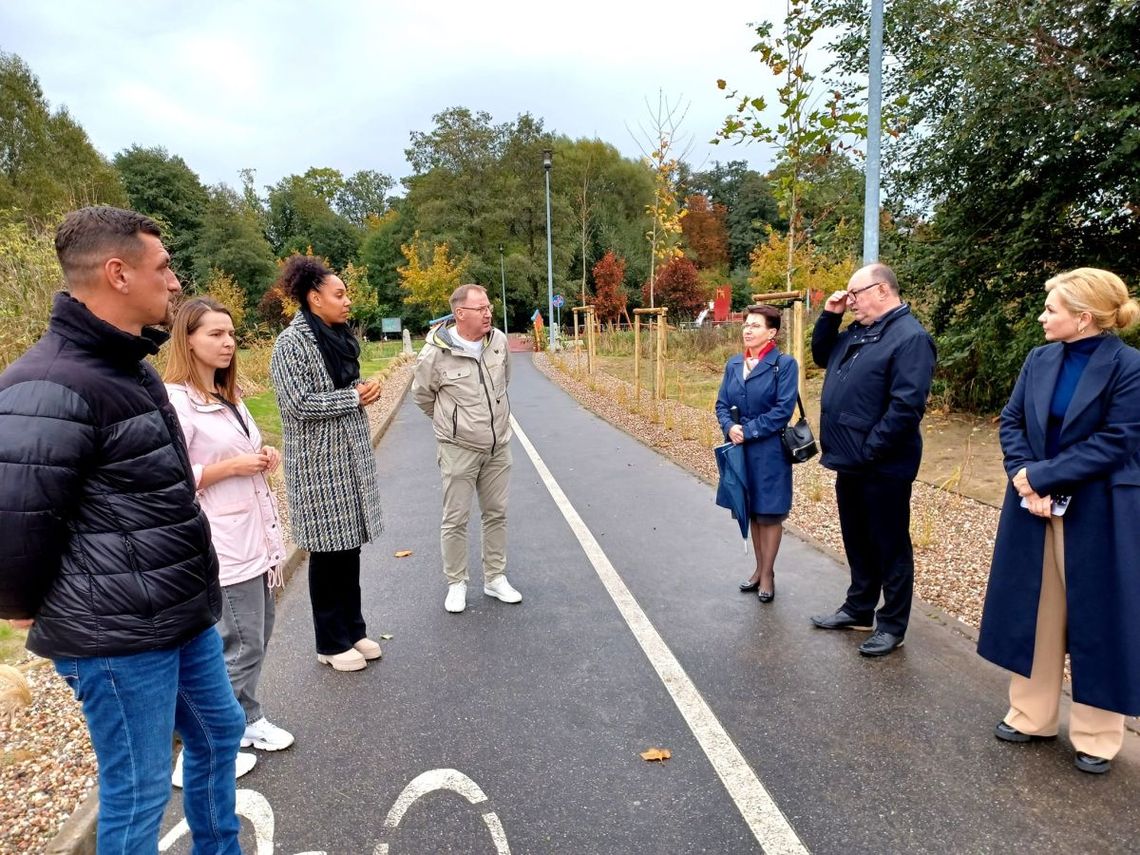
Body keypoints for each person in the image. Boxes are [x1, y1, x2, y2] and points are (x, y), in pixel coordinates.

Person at [0, 207, 244, 852]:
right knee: (137, 790)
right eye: (162, 267)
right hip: (115, 634)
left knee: (219, 731)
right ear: (117, 273)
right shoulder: (48, 383)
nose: (173, 282)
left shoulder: (127, 367)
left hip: (175, 614)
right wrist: (23, 607)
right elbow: (14, 519)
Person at [978, 268, 1140, 775]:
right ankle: (1032, 715)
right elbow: (1011, 420)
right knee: (1037, 606)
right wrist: (1024, 478)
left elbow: (1119, 439)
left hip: (1100, 508)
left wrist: (1044, 477)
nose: (1042, 316)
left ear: (1083, 317)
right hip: (1034, 503)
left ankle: (1097, 734)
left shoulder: (1129, 366)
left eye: (1052, 309)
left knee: (1098, 612)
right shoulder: (1039, 357)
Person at [165, 297, 295, 786]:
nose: (227, 343)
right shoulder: (176, 400)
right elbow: (171, 476)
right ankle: (201, 749)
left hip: (256, 536)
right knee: (237, 646)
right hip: (223, 543)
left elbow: (238, 451)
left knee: (255, 638)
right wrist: (232, 468)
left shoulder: (228, 395)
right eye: (215, 334)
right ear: (188, 339)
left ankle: (248, 721)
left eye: (231, 333)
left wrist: (262, 453)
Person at [809, 263, 936, 657]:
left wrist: (871, 449)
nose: (850, 302)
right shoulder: (861, 332)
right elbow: (821, 355)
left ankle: (892, 625)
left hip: (882, 463)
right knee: (857, 538)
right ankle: (859, 608)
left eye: (855, 294)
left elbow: (906, 406)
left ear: (882, 290)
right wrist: (830, 316)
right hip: (850, 459)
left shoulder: (910, 337)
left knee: (890, 544)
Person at [270, 255, 384, 672]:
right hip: (318, 466)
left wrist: (361, 388)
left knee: (348, 549)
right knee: (326, 554)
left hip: (348, 460)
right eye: (340, 294)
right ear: (314, 298)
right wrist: (353, 398)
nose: (347, 300)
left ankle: (353, 630)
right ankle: (330, 642)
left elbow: (336, 386)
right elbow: (296, 403)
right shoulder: (291, 343)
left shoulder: (334, 335)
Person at [413, 284, 519, 614]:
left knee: (496, 513)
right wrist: (452, 424)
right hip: (458, 447)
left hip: (497, 445)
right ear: (460, 314)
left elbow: (504, 383)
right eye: (480, 308)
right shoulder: (435, 353)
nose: (488, 313)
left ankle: (495, 578)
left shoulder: (498, 341)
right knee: (456, 518)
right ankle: (456, 583)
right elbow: (422, 395)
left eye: (489, 307)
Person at [714, 304, 799, 602]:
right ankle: (758, 568)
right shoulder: (734, 364)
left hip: (770, 450)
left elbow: (782, 411)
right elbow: (721, 404)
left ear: (771, 332)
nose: (747, 330)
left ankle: (768, 575)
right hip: (740, 450)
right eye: (746, 325)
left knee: (770, 513)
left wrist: (747, 431)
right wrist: (729, 428)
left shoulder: (784, 365)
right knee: (751, 508)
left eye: (755, 325)